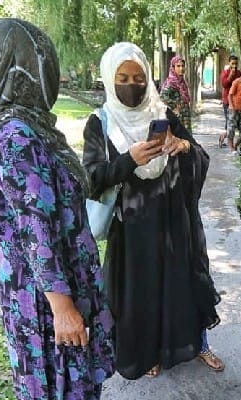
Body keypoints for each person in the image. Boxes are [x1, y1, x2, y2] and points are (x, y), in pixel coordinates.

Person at [0, 18, 119, 400]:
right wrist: (61, 305)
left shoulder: (34, 129)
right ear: (23, 68)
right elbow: (35, 229)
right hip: (44, 284)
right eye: (43, 62)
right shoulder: (15, 140)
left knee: (81, 352)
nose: (50, 72)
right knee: (56, 360)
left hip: (70, 268)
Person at [82, 42, 223, 379]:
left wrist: (182, 146)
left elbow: (199, 155)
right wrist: (129, 160)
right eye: (123, 78)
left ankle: (195, 343)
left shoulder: (162, 114)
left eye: (138, 77)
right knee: (143, 294)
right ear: (108, 79)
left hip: (174, 222)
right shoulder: (100, 124)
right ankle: (151, 352)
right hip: (133, 230)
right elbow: (91, 178)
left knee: (184, 285)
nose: (132, 85)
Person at [160, 55, 193, 130]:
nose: (181, 68)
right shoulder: (171, 82)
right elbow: (162, 96)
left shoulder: (181, 82)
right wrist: (174, 107)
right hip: (178, 118)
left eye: (182, 66)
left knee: (187, 139)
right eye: (178, 66)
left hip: (185, 117)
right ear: (173, 67)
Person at [219, 55, 241, 147]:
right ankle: (225, 139)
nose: (234, 66)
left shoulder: (239, 73)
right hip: (227, 102)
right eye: (233, 63)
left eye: (236, 63)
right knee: (229, 122)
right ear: (229, 63)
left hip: (236, 102)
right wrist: (231, 75)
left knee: (232, 122)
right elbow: (224, 84)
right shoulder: (225, 72)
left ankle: (227, 140)